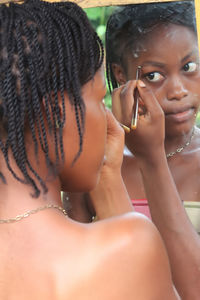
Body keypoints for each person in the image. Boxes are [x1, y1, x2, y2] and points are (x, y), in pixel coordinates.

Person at [0, 0, 181, 299]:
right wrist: (110, 183)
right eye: (99, 101)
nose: (107, 119)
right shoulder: (129, 246)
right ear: (58, 113)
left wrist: (105, 171)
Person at [66, 2, 200, 299]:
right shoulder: (96, 161)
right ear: (121, 76)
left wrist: (152, 160)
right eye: (154, 75)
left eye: (189, 67)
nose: (178, 90)